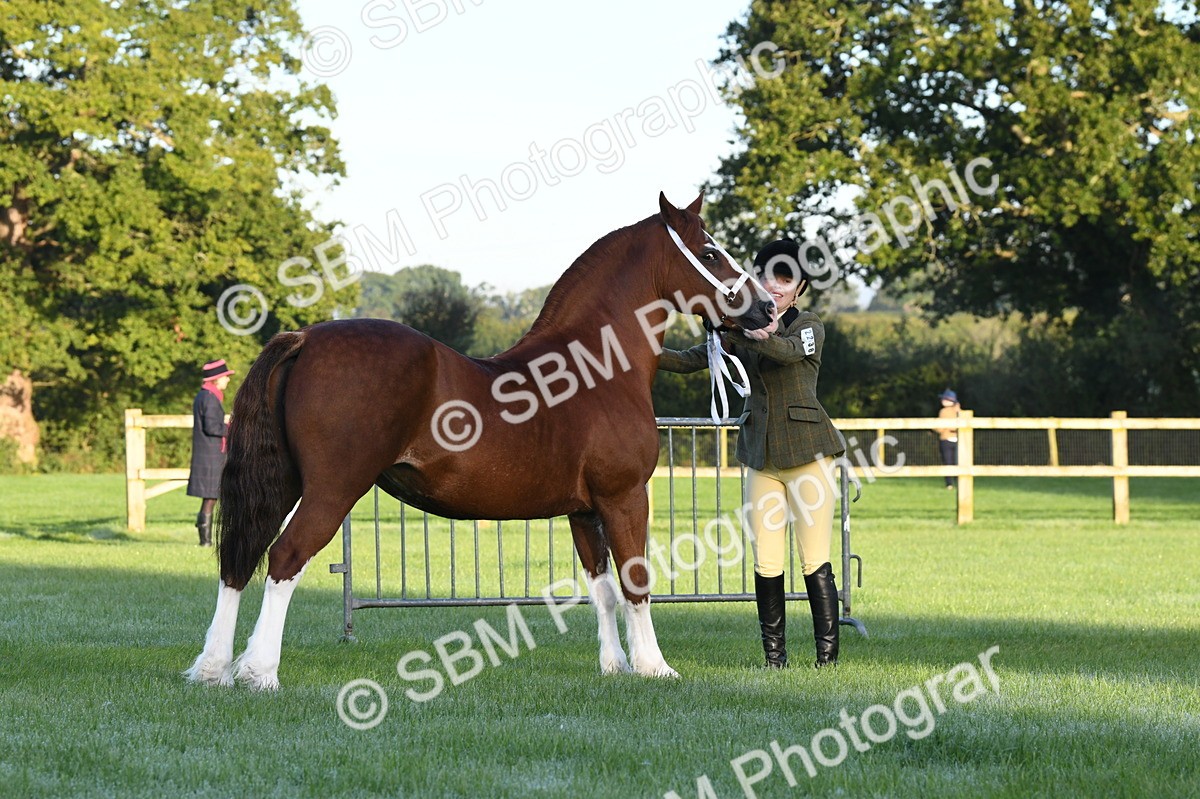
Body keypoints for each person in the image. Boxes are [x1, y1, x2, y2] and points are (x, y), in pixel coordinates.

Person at [658, 240, 846, 669]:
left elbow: (784, 352)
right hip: (761, 456)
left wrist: (743, 332)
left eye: (785, 279)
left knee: (814, 557)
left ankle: (827, 658)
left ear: (799, 288)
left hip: (810, 456)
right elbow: (690, 361)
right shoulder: (740, 325)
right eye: (767, 276)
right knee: (766, 559)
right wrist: (641, 352)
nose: (774, 287)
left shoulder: (809, 325)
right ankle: (774, 659)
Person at [187, 359, 234, 546]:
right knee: (210, 497)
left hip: (209, 452)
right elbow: (212, 427)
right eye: (225, 377)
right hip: (212, 454)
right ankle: (205, 541)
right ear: (216, 379)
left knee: (211, 497)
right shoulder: (210, 398)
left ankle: (205, 540)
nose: (227, 380)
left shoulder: (205, 396)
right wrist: (231, 428)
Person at [934, 389, 961, 490]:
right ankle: (959, 483)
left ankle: (949, 484)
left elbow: (940, 428)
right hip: (958, 439)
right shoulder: (959, 411)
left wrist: (934, 428)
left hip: (946, 439)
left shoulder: (943, 412)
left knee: (948, 462)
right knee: (958, 462)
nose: (942, 401)